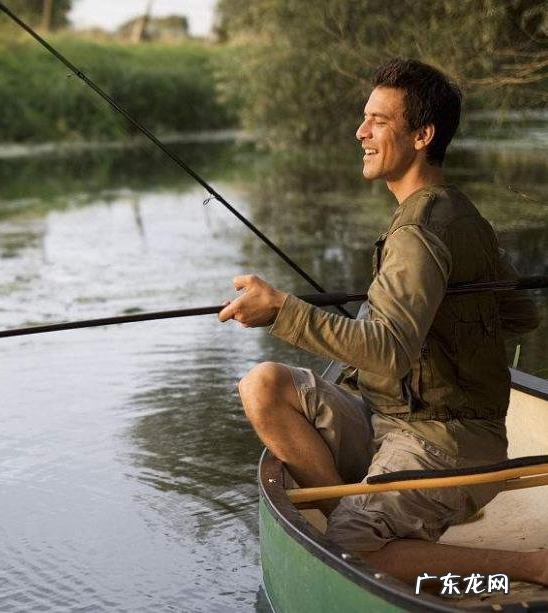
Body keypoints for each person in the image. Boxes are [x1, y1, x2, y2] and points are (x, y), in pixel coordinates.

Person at [217, 59, 544, 586]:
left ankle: (527, 565)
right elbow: (521, 314)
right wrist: (448, 308)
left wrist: (282, 311)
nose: (360, 131)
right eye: (364, 118)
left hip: (443, 439)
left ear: (423, 135)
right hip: (392, 417)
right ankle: (356, 507)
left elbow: (389, 349)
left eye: (378, 121)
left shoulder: (419, 231)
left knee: (348, 556)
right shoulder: (460, 213)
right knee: (264, 385)